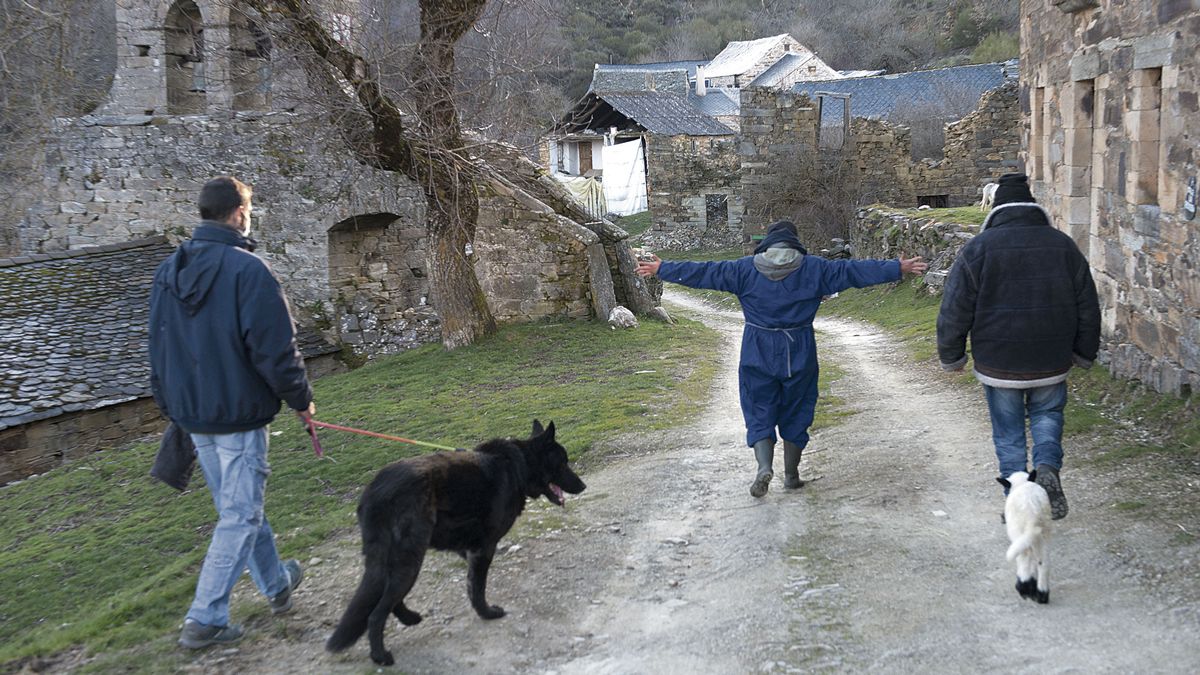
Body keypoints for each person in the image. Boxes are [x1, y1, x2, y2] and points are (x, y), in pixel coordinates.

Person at [637, 220, 928, 497]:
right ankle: (791, 476)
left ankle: (764, 467)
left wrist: (664, 268)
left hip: (757, 346)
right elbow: (853, 271)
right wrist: (896, 267)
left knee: (758, 405)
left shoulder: (744, 269)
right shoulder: (816, 269)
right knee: (797, 407)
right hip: (798, 346)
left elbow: (706, 272)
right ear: (795, 242)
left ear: (768, 243)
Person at [149, 176, 316, 649]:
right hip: (237, 417)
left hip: (194, 415)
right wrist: (302, 401)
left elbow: (156, 349)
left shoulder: (168, 270)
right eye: (249, 210)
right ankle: (205, 618)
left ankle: (277, 586)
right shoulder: (250, 271)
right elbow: (278, 352)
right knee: (240, 514)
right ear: (239, 213)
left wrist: (171, 406)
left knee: (238, 508)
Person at [937, 173, 1100, 521]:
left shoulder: (978, 249)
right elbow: (1087, 303)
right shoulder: (1063, 246)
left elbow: (955, 306)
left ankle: (1017, 497)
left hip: (999, 361)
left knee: (1008, 432)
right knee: (1047, 415)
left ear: (996, 209)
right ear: (1032, 207)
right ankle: (1046, 469)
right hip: (1051, 359)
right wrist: (1084, 351)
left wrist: (952, 356)